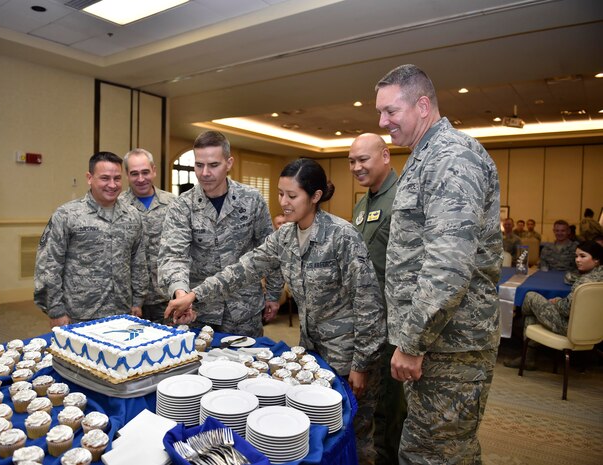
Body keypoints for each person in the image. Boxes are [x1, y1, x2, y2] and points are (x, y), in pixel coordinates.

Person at [165, 158, 385, 398]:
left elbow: (368, 303)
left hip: (347, 354)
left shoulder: (342, 236)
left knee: (353, 426)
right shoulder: (285, 236)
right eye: (280, 194)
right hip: (311, 352)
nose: (283, 202)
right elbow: (242, 270)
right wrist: (194, 295)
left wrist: (361, 364)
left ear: (315, 196)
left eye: (292, 196)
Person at [375, 64, 502, 464]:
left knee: (431, 454)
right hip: (436, 343)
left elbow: (447, 267)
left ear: (423, 105)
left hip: (451, 346)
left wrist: (412, 343)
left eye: (391, 111)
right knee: (444, 450)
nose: (382, 122)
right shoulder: (424, 156)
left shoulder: (452, 157)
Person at [158, 131, 283, 337]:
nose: (205, 172)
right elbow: (173, 256)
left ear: (229, 163)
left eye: (213, 165)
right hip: (199, 311)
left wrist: (273, 293)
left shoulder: (251, 200)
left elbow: (269, 250)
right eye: (199, 165)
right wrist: (181, 293)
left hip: (244, 309)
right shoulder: (182, 206)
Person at [34, 152, 148, 327]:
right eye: (105, 178)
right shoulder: (67, 215)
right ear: (89, 178)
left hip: (121, 311)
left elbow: (138, 261)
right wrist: (55, 310)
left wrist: (138, 300)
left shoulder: (133, 216)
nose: (112, 184)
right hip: (79, 314)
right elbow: (49, 265)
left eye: (117, 178)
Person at [349, 133, 405, 465]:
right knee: (373, 404)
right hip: (369, 323)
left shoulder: (403, 197)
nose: (356, 167)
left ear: (385, 156)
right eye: (352, 161)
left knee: (392, 410)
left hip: (395, 322)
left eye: (363, 159)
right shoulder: (362, 203)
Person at [504, 241, 603, 370]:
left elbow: (565, 310)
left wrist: (557, 301)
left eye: (583, 256)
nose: (578, 260)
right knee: (532, 315)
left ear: (596, 260)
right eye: (576, 256)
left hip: (569, 327)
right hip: (593, 328)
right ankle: (527, 359)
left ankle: (518, 328)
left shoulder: (585, 282)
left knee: (530, 297)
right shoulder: (598, 276)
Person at [119, 148, 176, 323]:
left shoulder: (174, 203)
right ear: (127, 175)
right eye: (134, 174)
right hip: (130, 300)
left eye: (145, 172)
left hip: (166, 296)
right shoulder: (117, 205)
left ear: (154, 170)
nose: (141, 179)